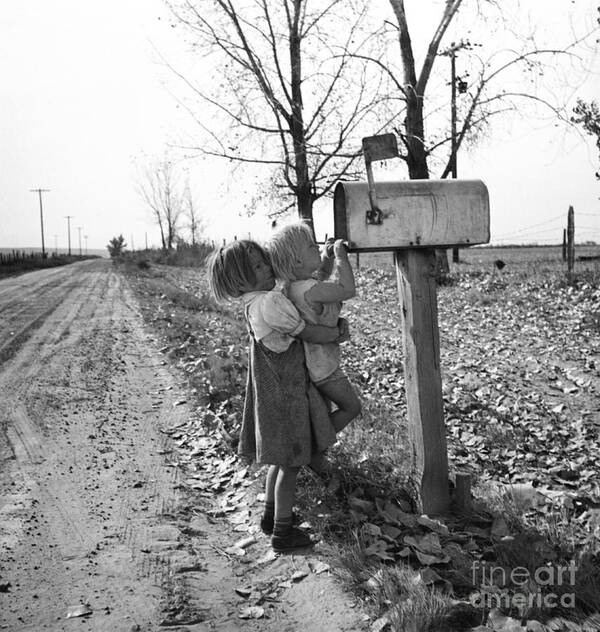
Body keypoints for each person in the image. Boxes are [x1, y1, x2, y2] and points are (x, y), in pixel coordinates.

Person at [207, 239, 346, 552]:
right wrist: (335, 334)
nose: (268, 268)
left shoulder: (255, 303)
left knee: (278, 462)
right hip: (287, 393)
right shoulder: (270, 303)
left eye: (265, 261)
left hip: (274, 391)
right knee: (291, 465)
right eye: (257, 266)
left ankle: (270, 516)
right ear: (239, 280)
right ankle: (283, 534)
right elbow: (306, 332)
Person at [268, 222, 361, 435]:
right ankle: (315, 446)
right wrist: (341, 257)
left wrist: (326, 258)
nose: (317, 247)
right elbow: (347, 289)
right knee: (352, 407)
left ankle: (316, 451)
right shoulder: (310, 290)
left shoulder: (296, 286)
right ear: (298, 260)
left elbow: (321, 274)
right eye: (312, 246)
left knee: (323, 411)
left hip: (315, 363)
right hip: (324, 368)